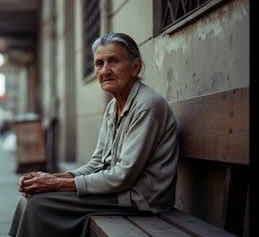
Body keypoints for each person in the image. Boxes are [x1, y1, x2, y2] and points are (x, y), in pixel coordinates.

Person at [9, 32, 179, 237]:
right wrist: (51, 178)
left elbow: (123, 176)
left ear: (135, 67)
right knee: (33, 198)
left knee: (39, 205)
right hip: (119, 191)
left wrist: (58, 184)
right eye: (99, 63)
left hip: (141, 198)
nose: (105, 70)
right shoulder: (112, 107)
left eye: (114, 61)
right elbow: (97, 162)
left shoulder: (147, 105)